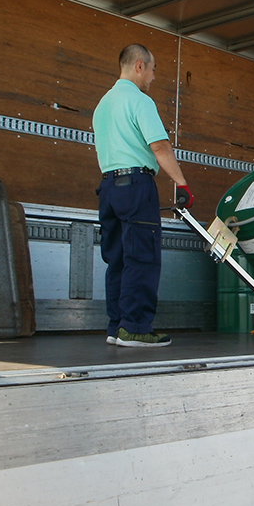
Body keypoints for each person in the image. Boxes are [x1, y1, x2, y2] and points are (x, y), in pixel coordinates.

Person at [93, 43, 195, 347]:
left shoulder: (103, 104)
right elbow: (160, 147)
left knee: (119, 259)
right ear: (139, 65)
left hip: (108, 187)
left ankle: (117, 327)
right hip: (136, 186)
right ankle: (136, 327)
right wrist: (181, 183)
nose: (152, 77)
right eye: (152, 69)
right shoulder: (139, 101)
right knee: (143, 257)